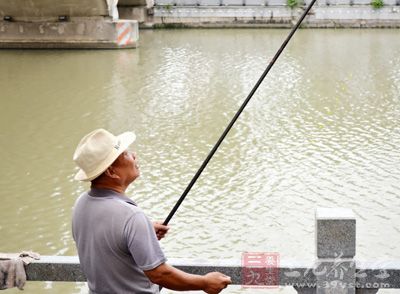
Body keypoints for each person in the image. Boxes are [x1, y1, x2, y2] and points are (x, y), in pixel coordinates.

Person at [72, 129, 231, 294]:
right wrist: (204, 282)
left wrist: (143, 232)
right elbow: (159, 274)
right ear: (111, 172)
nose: (134, 155)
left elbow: (107, 245)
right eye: (125, 154)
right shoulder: (131, 217)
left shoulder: (81, 205)